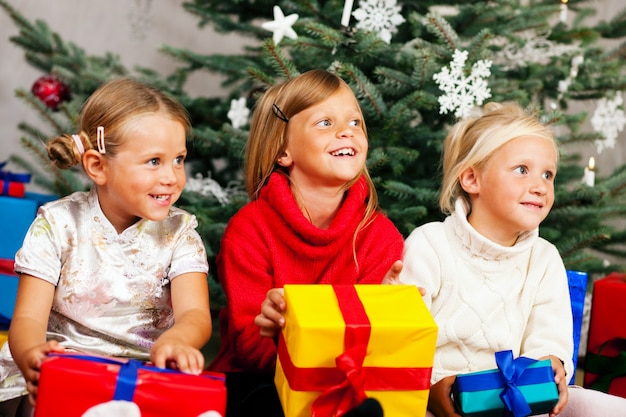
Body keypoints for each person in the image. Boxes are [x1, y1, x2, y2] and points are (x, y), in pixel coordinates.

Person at [396, 102, 626, 417]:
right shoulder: (430, 245)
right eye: (522, 170)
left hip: (515, 402)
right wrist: (429, 392)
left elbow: (549, 341)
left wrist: (552, 366)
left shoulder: (544, 258)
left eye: (548, 174)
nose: (540, 186)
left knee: (599, 407)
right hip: (435, 402)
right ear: (472, 179)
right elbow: (401, 340)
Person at [0, 77, 212, 417]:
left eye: (179, 159)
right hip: (66, 367)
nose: (172, 176)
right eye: (154, 161)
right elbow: (26, 319)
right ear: (98, 166)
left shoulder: (180, 232)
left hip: (144, 374)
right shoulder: (58, 224)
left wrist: (179, 340)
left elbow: (195, 314)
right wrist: (34, 356)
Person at [208, 69, 404, 417]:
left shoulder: (380, 237)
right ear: (283, 151)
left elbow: (371, 355)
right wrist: (274, 330)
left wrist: (388, 312)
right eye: (325, 122)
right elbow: (251, 351)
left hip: (344, 382)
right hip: (257, 381)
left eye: (355, 122)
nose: (347, 131)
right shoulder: (249, 229)